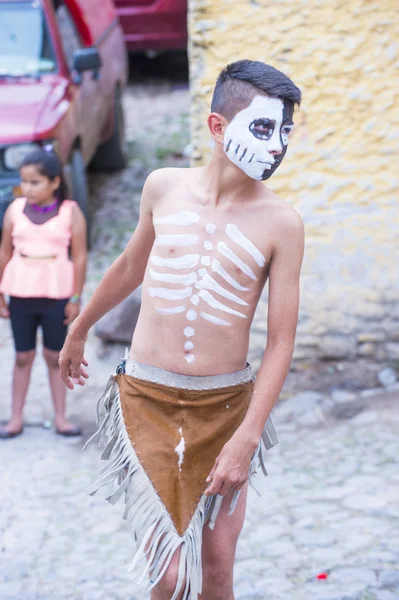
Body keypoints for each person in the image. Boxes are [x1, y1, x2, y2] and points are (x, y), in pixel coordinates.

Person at [60, 59, 304, 599]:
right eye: (264, 128)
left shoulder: (282, 224)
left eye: (286, 131)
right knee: (168, 576)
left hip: (223, 410)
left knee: (216, 568)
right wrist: (80, 327)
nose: (278, 145)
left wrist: (246, 437)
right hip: (146, 400)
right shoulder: (163, 187)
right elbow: (128, 266)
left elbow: (281, 342)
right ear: (218, 127)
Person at [0, 148, 87, 439]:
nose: (28, 188)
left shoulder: (70, 212)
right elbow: (4, 251)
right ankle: (14, 419)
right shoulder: (14, 210)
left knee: (55, 355)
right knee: (22, 355)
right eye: (24, 181)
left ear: (54, 182)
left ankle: (61, 417)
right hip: (21, 292)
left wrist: (75, 298)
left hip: (57, 293)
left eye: (35, 182)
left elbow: (80, 257)